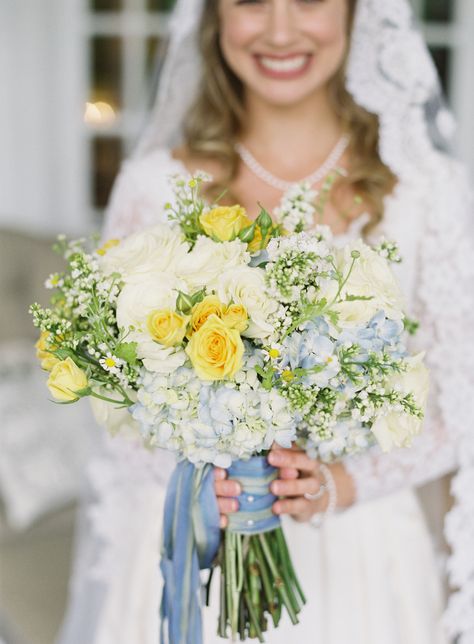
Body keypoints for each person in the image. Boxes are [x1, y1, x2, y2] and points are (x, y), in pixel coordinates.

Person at [57, 0, 474, 642]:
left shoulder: (428, 191)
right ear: (212, 16)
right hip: (188, 555)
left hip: (362, 560)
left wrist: (338, 482)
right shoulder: (152, 184)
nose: (280, 30)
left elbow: (459, 406)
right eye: (250, 0)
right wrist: (191, 484)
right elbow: (113, 400)